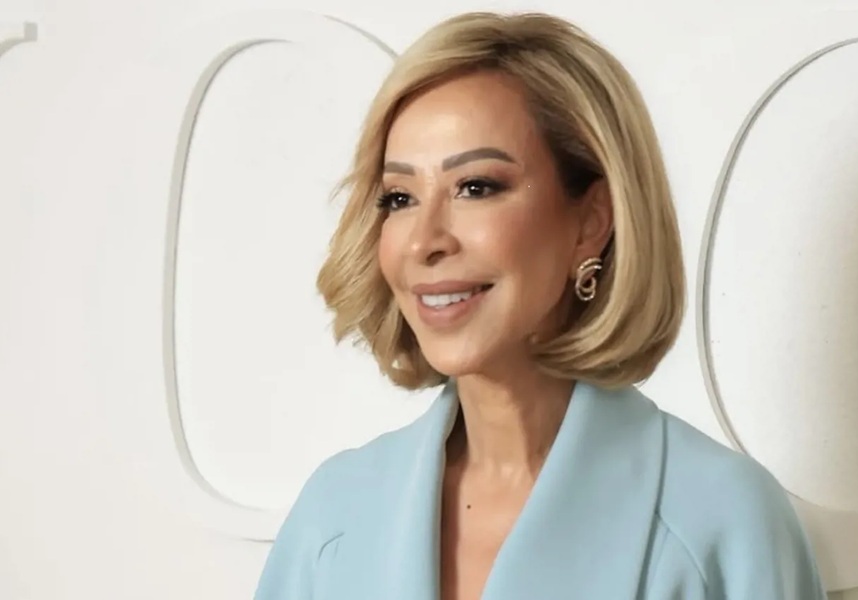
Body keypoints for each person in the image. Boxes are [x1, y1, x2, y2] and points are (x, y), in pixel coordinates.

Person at [254, 10, 827, 600]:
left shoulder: (724, 525)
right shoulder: (333, 518)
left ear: (592, 220)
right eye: (399, 197)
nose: (424, 242)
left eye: (476, 187)